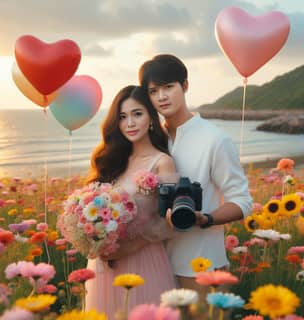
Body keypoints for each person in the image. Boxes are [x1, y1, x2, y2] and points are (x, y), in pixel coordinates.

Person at [138, 54, 253, 294]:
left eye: (169, 87)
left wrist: (206, 218)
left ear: (185, 85)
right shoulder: (148, 141)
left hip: (201, 266)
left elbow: (242, 201)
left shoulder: (215, 139)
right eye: (153, 91)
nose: (162, 97)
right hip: (152, 266)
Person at [85, 85, 177, 318]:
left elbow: (171, 219)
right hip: (105, 266)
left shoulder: (162, 162)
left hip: (142, 260)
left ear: (151, 118)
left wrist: (129, 247)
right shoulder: (113, 160)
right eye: (123, 117)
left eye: (137, 114)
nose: (130, 123)